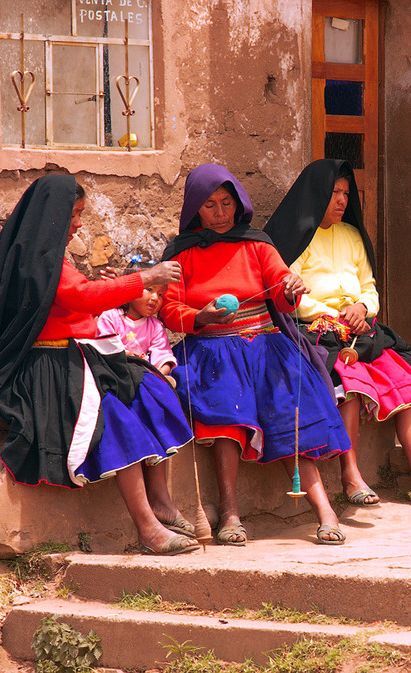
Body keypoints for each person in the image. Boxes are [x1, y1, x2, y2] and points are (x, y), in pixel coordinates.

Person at [0, 175, 199, 555]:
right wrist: (144, 278)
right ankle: (147, 529)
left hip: (75, 358)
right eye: (73, 214)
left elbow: (81, 300)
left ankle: (160, 501)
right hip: (50, 369)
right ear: (54, 215)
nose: (78, 222)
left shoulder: (50, 256)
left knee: (148, 386)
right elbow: (80, 296)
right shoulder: (38, 260)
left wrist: (117, 288)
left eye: (79, 214)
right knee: (117, 420)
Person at [160, 163, 351, 546]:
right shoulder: (182, 254)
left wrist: (292, 287)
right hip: (212, 349)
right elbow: (168, 309)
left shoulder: (257, 244)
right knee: (228, 417)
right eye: (210, 205)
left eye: (226, 203)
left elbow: (281, 289)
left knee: (290, 413)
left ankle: (325, 512)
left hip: (265, 345)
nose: (219, 212)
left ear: (238, 203)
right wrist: (200, 316)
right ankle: (230, 513)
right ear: (196, 208)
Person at [266, 159, 411, 508]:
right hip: (316, 330)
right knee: (351, 385)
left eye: (346, 193)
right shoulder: (296, 236)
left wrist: (362, 309)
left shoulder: (352, 235)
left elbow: (369, 288)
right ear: (316, 196)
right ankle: (351, 475)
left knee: (405, 380)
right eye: (334, 193)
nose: (342, 200)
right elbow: (289, 295)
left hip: (359, 331)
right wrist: (333, 315)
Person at [96, 260, 177, 384]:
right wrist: (126, 354)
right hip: (115, 375)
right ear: (131, 287)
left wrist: (161, 373)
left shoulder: (155, 327)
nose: (155, 298)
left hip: (143, 376)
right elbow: (105, 346)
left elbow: (162, 353)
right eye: (149, 289)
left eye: (160, 294)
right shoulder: (110, 317)